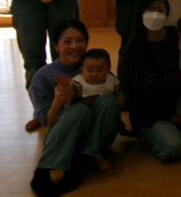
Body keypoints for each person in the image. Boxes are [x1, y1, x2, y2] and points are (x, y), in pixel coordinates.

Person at [28, 20, 120, 196]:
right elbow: (49, 122)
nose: (75, 46)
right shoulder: (42, 76)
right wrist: (58, 102)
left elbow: (116, 101)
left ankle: (82, 158)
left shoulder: (97, 67)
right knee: (79, 110)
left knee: (109, 100)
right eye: (67, 41)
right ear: (56, 45)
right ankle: (44, 170)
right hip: (62, 137)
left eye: (80, 40)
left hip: (97, 138)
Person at [123, 0, 181, 162]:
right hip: (151, 113)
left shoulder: (174, 35)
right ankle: (156, 134)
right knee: (174, 148)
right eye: (150, 9)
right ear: (141, 12)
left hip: (179, 104)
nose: (155, 14)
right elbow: (149, 89)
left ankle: (177, 129)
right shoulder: (134, 48)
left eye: (161, 10)